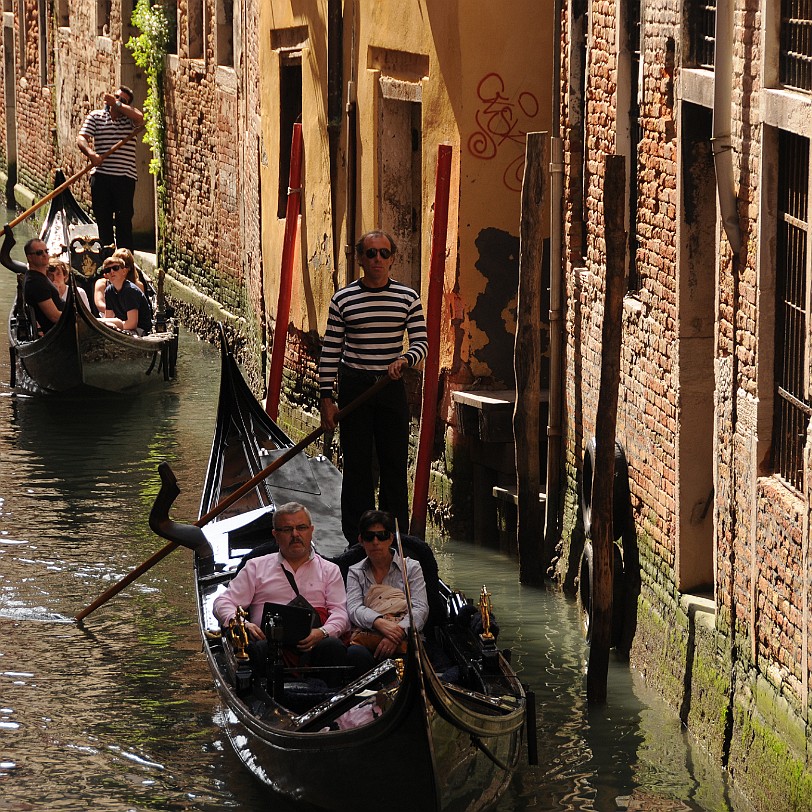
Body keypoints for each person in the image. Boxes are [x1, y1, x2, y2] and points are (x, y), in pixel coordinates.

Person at [318, 230, 429, 542]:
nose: (378, 259)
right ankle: (357, 537)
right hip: (355, 386)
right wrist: (326, 398)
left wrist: (405, 360)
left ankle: (395, 536)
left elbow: (421, 343)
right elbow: (330, 351)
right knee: (357, 466)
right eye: (371, 253)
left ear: (392, 259)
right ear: (361, 259)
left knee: (394, 463)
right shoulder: (343, 299)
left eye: (383, 253)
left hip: (390, 386)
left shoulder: (408, 298)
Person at [212, 502, 350, 683]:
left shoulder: (330, 570)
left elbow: (340, 612)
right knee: (257, 649)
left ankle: (330, 698)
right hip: (268, 644)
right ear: (275, 535)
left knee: (332, 646)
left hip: (315, 644)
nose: (295, 534)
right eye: (287, 529)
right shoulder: (256, 566)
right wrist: (243, 624)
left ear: (311, 530)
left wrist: (322, 633)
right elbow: (222, 603)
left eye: (301, 528)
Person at [345, 510, 428, 676]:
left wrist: (396, 633)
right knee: (355, 655)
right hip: (368, 636)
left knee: (409, 655)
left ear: (390, 538)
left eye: (382, 535)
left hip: (404, 635)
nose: (376, 542)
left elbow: (420, 608)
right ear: (361, 540)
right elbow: (354, 608)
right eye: (369, 537)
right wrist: (379, 622)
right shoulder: (355, 572)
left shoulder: (411, 568)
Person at [76, 85, 144, 250]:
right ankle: (106, 260)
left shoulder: (130, 121)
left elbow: (140, 117)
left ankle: (125, 262)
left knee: (124, 223)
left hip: (124, 179)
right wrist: (92, 155)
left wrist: (117, 104)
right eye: (116, 97)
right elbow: (81, 138)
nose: (118, 101)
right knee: (103, 222)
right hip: (101, 178)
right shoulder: (96, 116)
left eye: (123, 100)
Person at [0, 226, 63, 334]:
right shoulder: (36, 283)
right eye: (39, 253)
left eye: (46, 251)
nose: (44, 255)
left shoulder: (36, 276)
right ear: (29, 257)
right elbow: (54, 317)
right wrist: (78, 317)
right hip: (62, 331)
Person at [98, 255, 152, 335]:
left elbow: (132, 324)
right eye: (108, 270)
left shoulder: (130, 290)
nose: (112, 272)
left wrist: (116, 327)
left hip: (140, 330)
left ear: (124, 271)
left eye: (115, 268)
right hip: (123, 327)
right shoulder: (109, 291)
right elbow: (108, 318)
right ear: (105, 275)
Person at [93, 246, 146, 315]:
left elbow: (138, 308)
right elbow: (100, 304)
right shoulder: (102, 284)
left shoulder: (137, 285)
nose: (113, 271)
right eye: (112, 266)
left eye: (116, 268)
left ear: (129, 268)